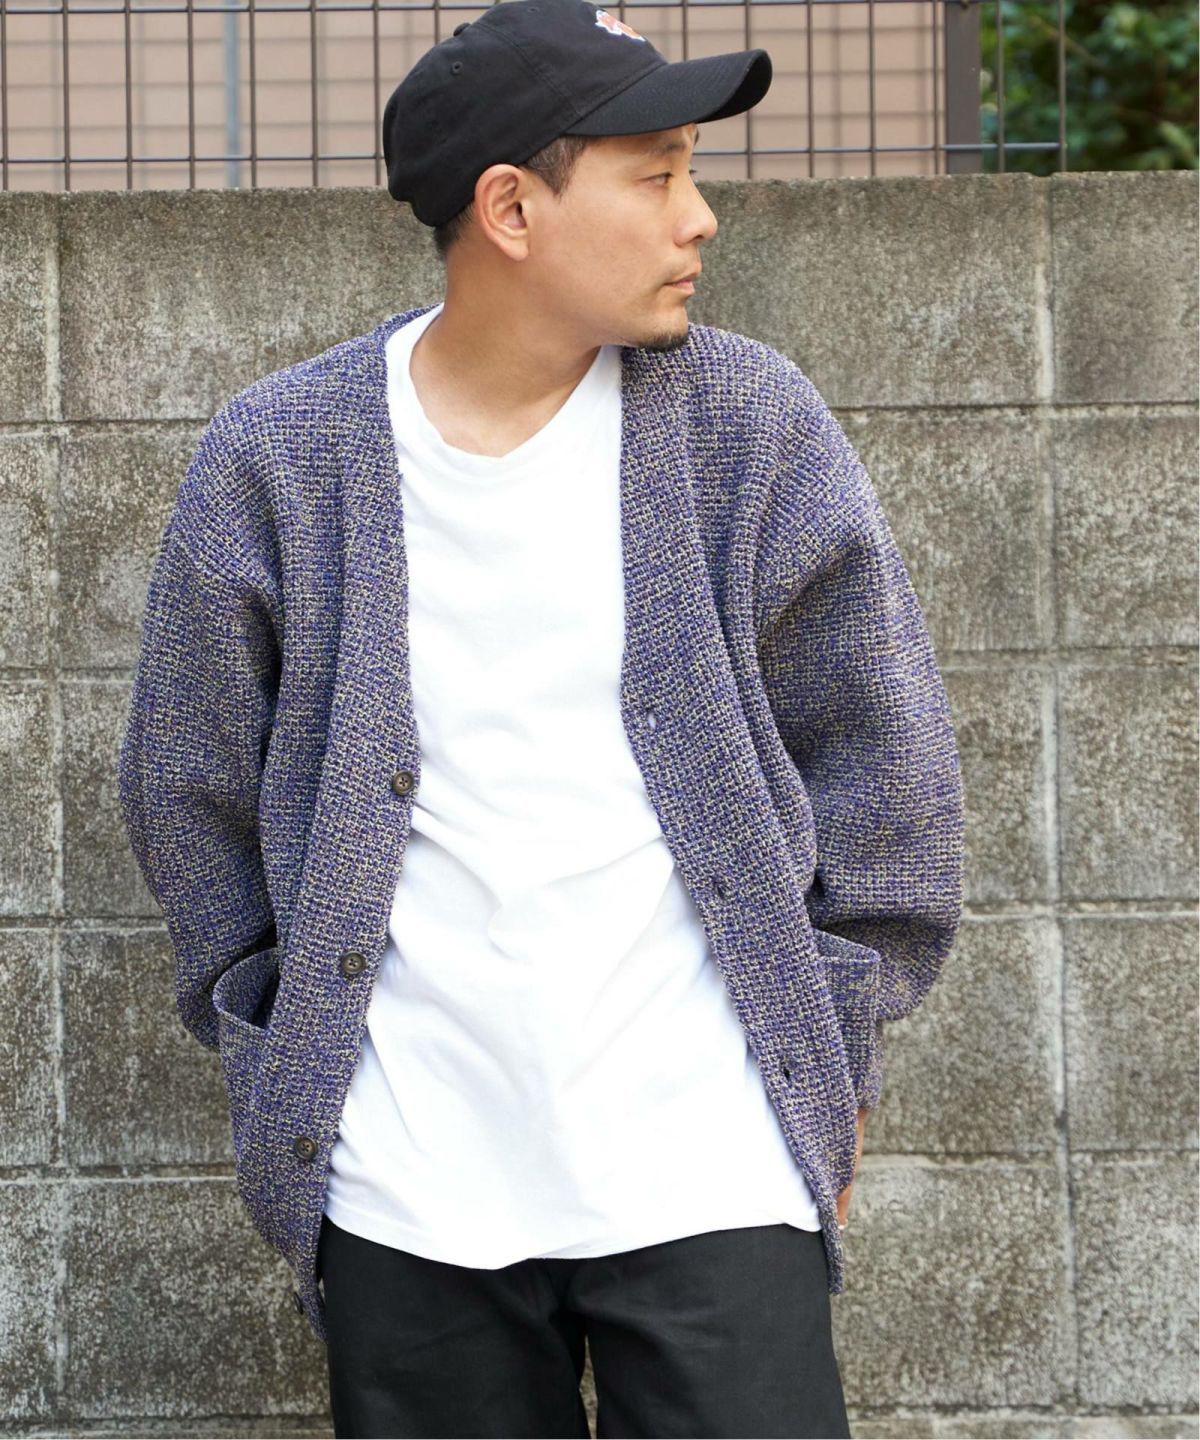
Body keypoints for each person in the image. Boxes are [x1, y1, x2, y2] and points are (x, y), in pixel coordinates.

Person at [116, 0, 965, 1434]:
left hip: (712, 1160)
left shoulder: (747, 424)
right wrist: (280, 1036)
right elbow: (185, 777)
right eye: (656, 175)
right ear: (510, 208)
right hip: (407, 1177)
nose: (699, 216)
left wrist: (835, 1019)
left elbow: (882, 744)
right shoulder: (283, 456)